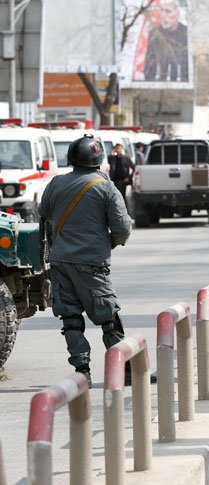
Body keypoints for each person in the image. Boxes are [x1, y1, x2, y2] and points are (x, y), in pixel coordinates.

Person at [39, 135, 133, 388]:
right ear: (99, 159)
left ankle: (82, 371)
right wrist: (113, 241)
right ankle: (123, 370)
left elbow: (45, 212)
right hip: (92, 262)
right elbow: (122, 226)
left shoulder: (56, 183)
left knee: (70, 319)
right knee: (109, 317)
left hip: (60, 260)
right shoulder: (105, 187)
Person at [144, 0, 189, 82]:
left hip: (181, 85)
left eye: (168, 11)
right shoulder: (154, 34)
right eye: (161, 10)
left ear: (178, 14)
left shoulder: (187, 34)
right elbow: (149, 67)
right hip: (159, 85)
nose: (163, 15)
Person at [108, 144, 135, 209]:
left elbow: (134, 167)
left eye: (119, 148)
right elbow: (108, 157)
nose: (118, 150)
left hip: (122, 181)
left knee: (121, 197)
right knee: (114, 197)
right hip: (114, 181)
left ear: (122, 149)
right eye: (116, 149)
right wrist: (113, 151)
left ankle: (124, 211)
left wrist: (129, 178)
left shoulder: (126, 158)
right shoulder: (112, 158)